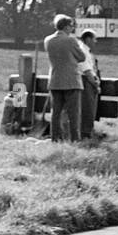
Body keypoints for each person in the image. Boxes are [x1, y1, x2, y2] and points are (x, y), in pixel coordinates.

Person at [43, 14, 86, 143]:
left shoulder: (48, 40)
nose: (72, 28)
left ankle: (55, 138)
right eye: (72, 26)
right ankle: (75, 139)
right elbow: (82, 57)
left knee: (55, 112)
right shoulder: (71, 40)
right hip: (71, 81)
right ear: (67, 26)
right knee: (74, 114)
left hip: (55, 79)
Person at [77, 29, 102, 141]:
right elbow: (87, 71)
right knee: (88, 107)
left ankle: (87, 131)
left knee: (90, 107)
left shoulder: (86, 50)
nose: (95, 41)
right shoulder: (83, 51)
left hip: (89, 80)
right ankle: (85, 133)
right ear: (88, 39)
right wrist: (95, 84)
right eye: (94, 38)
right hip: (87, 82)